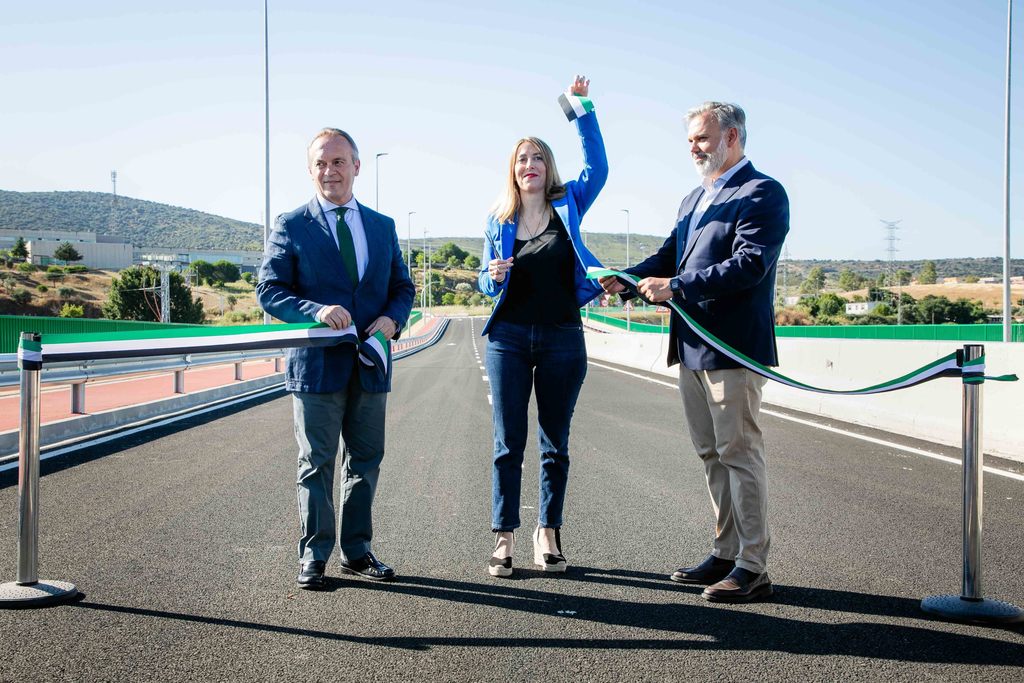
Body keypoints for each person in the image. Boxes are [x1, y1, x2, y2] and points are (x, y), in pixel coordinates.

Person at [600, 102, 788, 602]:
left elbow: (750, 264)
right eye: (689, 140)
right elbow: (667, 256)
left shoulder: (763, 193)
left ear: (732, 137)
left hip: (732, 349)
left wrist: (677, 286)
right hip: (690, 347)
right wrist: (628, 278)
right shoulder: (693, 199)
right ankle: (725, 553)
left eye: (701, 138)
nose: (693, 148)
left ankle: (753, 566)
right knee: (711, 454)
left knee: (740, 454)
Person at [257, 127, 416, 590]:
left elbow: (401, 288)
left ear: (356, 167)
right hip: (317, 365)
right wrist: (316, 310)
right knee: (317, 462)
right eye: (322, 164)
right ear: (311, 171)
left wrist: (392, 319)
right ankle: (314, 554)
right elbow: (269, 290)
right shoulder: (291, 225)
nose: (331, 171)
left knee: (365, 460)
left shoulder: (382, 227)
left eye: (339, 162)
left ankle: (357, 551)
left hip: (370, 362)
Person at [478, 75, 606, 578]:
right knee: (508, 441)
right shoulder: (497, 219)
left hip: (561, 337)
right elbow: (485, 281)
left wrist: (582, 109)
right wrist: (490, 276)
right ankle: (504, 536)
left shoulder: (569, 202)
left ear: (547, 167)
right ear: (512, 171)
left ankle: (547, 531)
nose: (529, 166)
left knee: (556, 441)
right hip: (508, 338)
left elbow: (599, 164)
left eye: (537, 158)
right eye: (521, 159)